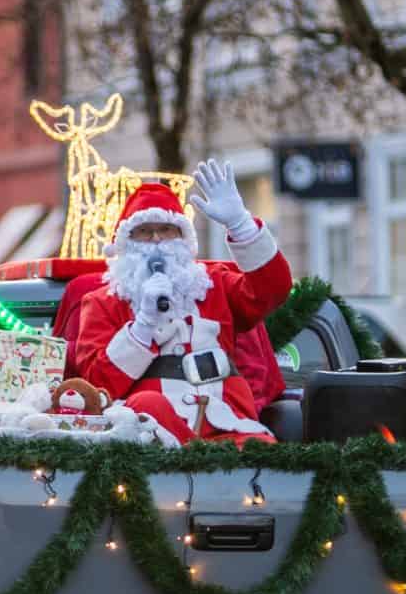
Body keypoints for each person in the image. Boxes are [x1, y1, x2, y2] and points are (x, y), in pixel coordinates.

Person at [65, 159, 294, 445]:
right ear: (125, 242)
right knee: (147, 405)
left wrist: (240, 224)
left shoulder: (213, 285)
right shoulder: (103, 302)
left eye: (166, 229)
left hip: (227, 423)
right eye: (144, 232)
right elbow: (100, 384)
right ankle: (195, 456)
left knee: (262, 450)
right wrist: (143, 325)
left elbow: (273, 290)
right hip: (152, 437)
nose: (156, 240)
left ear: (183, 237)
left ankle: (201, 456)